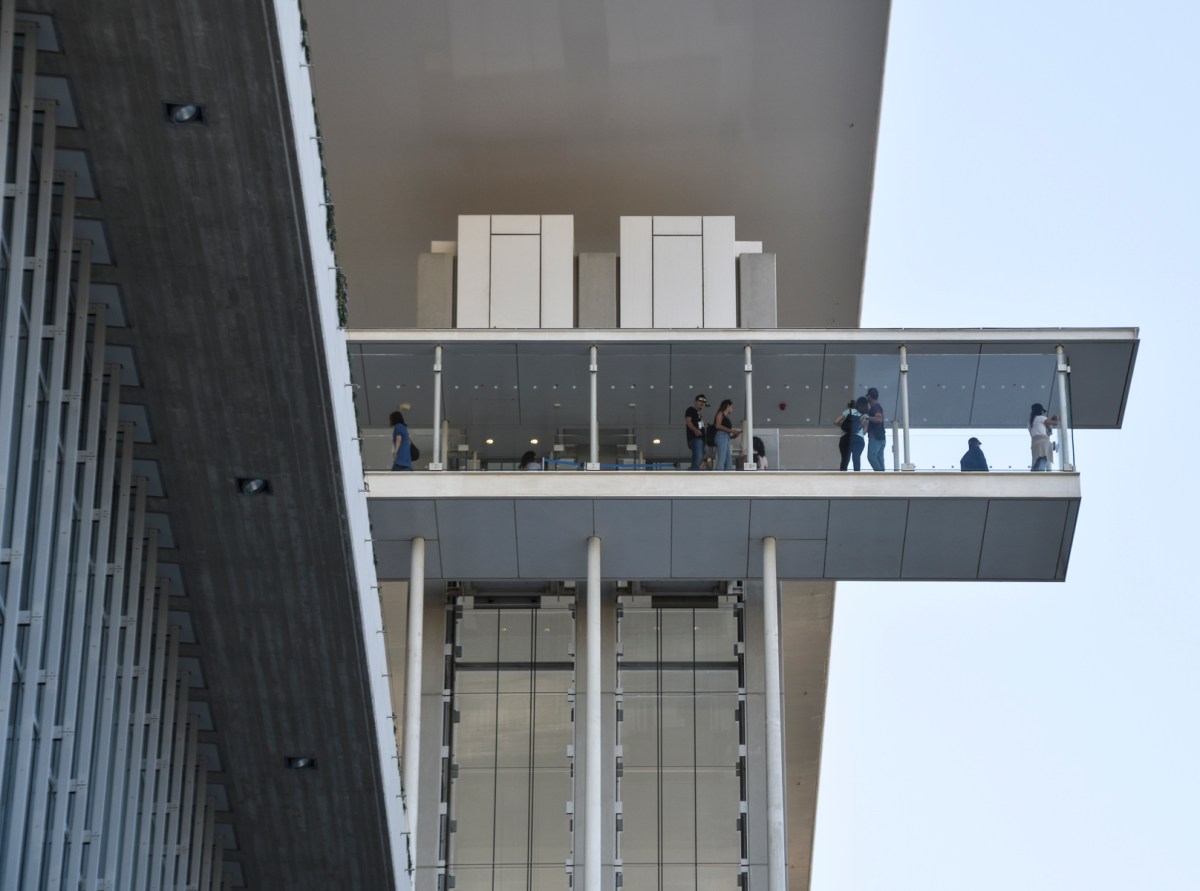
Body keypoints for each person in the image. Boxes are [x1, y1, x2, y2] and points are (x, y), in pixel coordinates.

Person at [834, 399, 867, 470]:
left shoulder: (847, 412)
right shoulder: (863, 414)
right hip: (858, 439)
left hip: (845, 438)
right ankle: (857, 476)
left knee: (845, 460)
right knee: (856, 458)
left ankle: (842, 476)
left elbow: (836, 421)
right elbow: (864, 431)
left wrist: (844, 426)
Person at [711, 399, 742, 471]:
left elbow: (724, 432)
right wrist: (732, 431)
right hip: (721, 437)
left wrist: (734, 435)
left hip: (725, 437)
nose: (732, 409)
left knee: (728, 461)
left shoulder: (724, 416)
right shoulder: (720, 413)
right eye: (732, 407)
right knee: (722, 459)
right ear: (727, 405)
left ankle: (728, 477)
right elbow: (718, 426)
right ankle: (718, 477)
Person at [1028, 403, 1057, 471]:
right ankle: (1039, 476)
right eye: (1043, 411)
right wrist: (1055, 417)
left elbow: (1041, 429)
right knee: (1043, 461)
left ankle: (1035, 476)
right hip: (1043, 442)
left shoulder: (1030, 422)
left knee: (1036, 461)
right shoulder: (1041, 418)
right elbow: (1056, 423)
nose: (1043, 413)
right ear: (1040, 411)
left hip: (1034, 443)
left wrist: (1048, 426)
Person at [684, 393, 708, 470]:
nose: (702, 403)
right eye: (700, 400)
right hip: (695, 439)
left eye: (704, 401)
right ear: (695, 402)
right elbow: (688, 421)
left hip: (700, 441)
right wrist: (695, 430)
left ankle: (691, 471)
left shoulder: (699, 415)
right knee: (698, 460)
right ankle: (692, 475)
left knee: (700, 461)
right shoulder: (691, 410)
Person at [866, 387, 886, 471]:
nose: (866, 397)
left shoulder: (875, 407)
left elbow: (879, 419)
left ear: (869, 396)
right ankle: (882, 475)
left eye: (867, 395)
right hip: (881, 437)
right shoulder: (878, 406)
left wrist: (867, 418)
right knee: (879, 457)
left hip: (875, 436)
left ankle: (879, 474)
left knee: (871, 456)